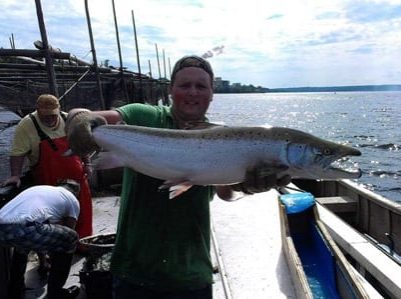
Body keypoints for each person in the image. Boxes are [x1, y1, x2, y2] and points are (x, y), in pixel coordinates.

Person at [66, 55, 291, 299]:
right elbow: (82, 115)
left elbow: (227, 192)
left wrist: (248, 186)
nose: (193, 92)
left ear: (212, 93)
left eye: (201, 86)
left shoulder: (223, 137)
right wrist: (80, 119)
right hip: (133, 270)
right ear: (171, 90)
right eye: (185, 85)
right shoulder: (144, 116)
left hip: (192, 274)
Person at [2, 94, 93, 244]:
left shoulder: (69, 120)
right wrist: (15, 175)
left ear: (59, 110)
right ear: (37, 111)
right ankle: (62, 247)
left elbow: (82, 144)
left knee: (83, 212)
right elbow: (17, 153)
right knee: (53, 218)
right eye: (45, 116)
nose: (50, 119)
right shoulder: (26, 125)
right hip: (48, 180)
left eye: (53, 115)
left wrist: (87, 163)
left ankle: (84, 243)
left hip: (77, 178)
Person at [0, 180, 81, 299]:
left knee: (22, 245)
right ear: (76, 193)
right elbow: (66, 233)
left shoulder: (40, 189)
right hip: (26, 227)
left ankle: (15, 290)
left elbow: (43, 234)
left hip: (3, 228)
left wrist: (43, 261)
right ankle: (56, 293)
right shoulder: (71, 199)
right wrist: (53, 259)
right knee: (71, 238)